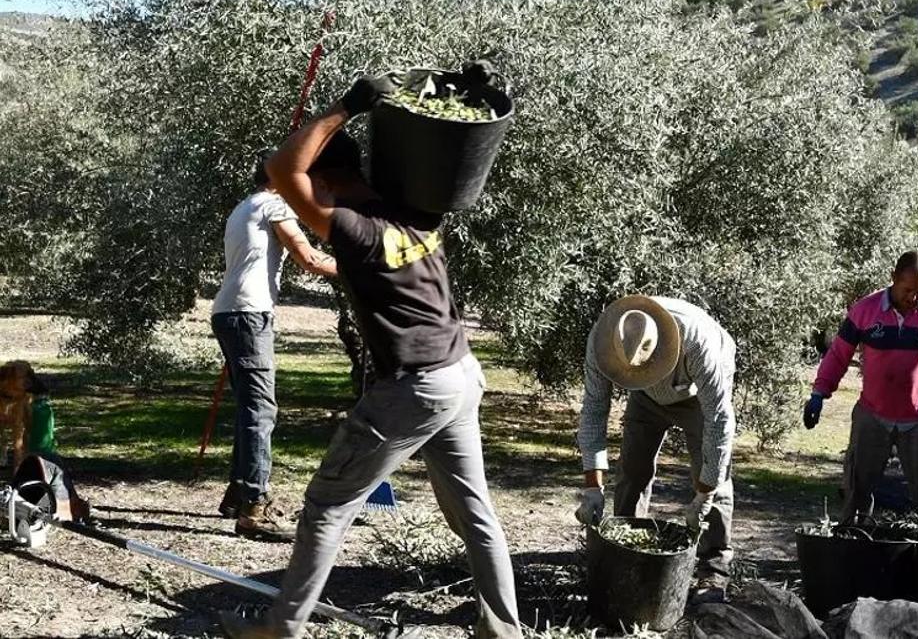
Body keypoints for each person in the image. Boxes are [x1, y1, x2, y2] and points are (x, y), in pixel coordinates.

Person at [219, 74, 521, 639]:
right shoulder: (417, 211)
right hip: (461, 374)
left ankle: (281, 629)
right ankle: (504, 632)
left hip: (415, 387)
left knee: (327, 505)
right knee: (475, 515)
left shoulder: (356, 231)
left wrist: (350, 105)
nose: (292, 198)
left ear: (327, 181)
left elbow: (288, 170)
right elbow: (445, 166)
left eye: (307, 190)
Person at [575, 295, 737, 602]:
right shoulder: (603, 338)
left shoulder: (697, 341)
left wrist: (704, 492)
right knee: (632, 467)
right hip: (646, 397)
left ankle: (714, 570)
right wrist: (592, 487)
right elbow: (594, 411)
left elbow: (719, 423)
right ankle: (625, 551)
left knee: (714, 472)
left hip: (695, 395)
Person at [212, 152, 338, 541]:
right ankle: (254, 506)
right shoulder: (273, 204)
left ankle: (239, 491)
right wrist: (371, 265)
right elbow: (310, 259)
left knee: (250, 406)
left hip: (229, 313)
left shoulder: (244, 206)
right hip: (249, 315)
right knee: (261, 409)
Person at [802, 251, 918, 524]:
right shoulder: (865, 311)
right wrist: (819, 393)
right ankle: (851, 543)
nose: (913, 297)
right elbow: (839, 355)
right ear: (893, 279)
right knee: (856, 489)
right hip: (873, 415)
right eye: (907, 289)